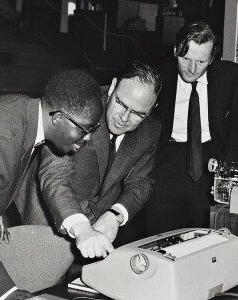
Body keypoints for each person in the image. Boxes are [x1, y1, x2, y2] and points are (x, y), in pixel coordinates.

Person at [0, 69, 103, 300]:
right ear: (57, 118)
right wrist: (6, 293)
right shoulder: (0, 139)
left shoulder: (24, 110)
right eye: (85, 129)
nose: (87, 138)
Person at [16, 61, 162, 260]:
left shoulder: (151, 130)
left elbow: (141, 182)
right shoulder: (78, 107)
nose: (124, 118)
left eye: (137, 113)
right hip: (50, 216)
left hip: (100, 227)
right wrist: (82, 228)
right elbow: (54, 175)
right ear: (112, 87)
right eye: (121, 103)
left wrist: (115, 215)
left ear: (151, 110)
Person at [143, 21, 238, 236]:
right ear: (175, 50)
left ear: (212, 58)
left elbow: (237, 129)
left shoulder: (231, 75)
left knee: (206, 241)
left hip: (211, 162)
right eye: (185, 58)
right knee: (160, 239)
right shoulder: (157, 75)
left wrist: (229, 174)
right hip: (166, 162)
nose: (191, 69)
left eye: (201, 61)